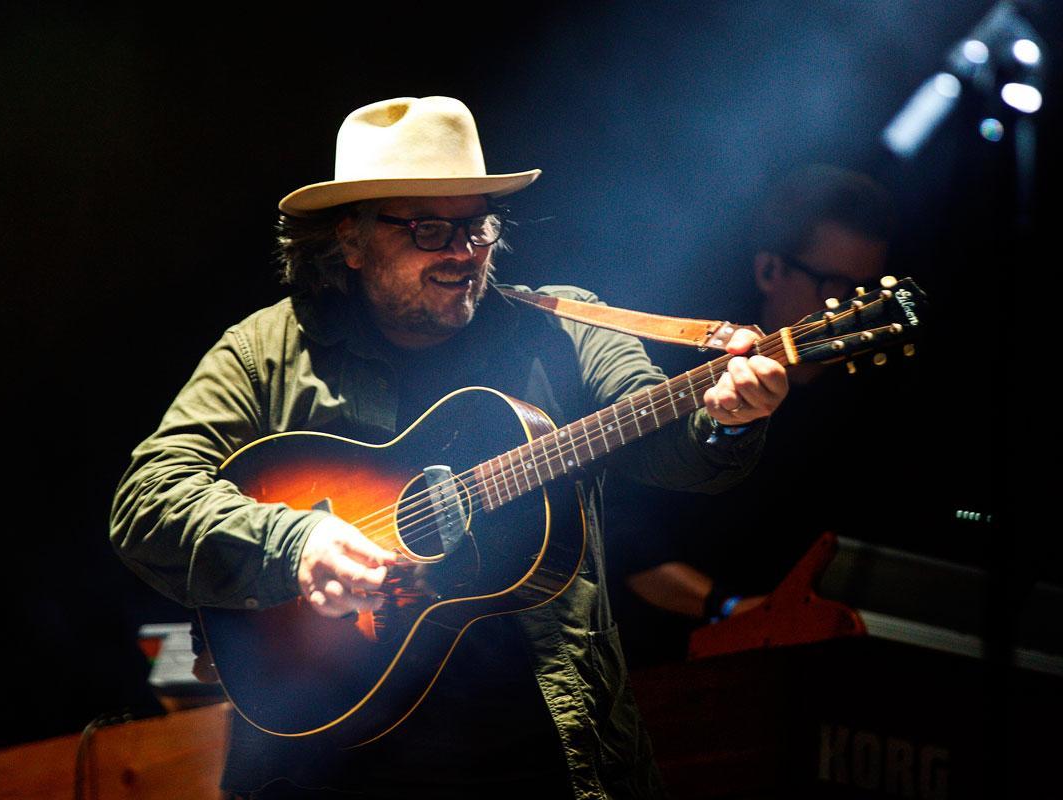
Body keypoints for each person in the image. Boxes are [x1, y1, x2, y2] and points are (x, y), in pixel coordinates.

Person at [109, 96, 788, 799]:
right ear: (351, 239)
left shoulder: (563, 330)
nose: (463, 252)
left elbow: (670, 446)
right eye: (430, 229)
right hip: (329, 768)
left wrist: (727, 418)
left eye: (477, 226)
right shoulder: (266, 351)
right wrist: (298, 543)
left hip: (541, 761)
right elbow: (146, 502)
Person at [605, 165, 899, 664]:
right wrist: (735, 608)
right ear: (769, 271)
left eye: (862, 293)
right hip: (657, 655)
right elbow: (623, 540)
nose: (847, 310)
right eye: (831, 285)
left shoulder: (863, 408)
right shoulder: (683, 374)